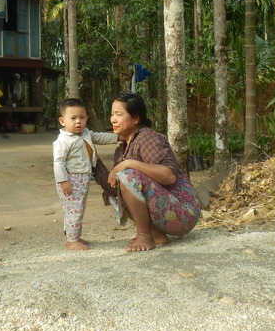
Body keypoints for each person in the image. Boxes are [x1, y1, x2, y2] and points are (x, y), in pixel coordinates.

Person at [107, 92, 202, 252]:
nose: (113, 119)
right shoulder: (123, 148)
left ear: (136, 118)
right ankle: (156, 235)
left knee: (128, 176)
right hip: (168, 213)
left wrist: (129, 163)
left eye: (119, 114)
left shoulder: (147, 138)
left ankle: (145, 236)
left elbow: (169, 176)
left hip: (183, 212)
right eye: (112, 114)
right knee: (115, 186)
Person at [53, 98, 118, 250]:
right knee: (74, 208)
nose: (78, 122)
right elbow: (58, 162)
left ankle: (74, 236)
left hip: (82, 178)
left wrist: (118, 137)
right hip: (71, 179)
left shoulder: (85, 133)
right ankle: (71, 240)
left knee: (77, 207)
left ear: (86, 119)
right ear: (62, 121)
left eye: (82, 118)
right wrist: (63, 181)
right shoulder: (63, 141)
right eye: (73, 118)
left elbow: (100, 137)